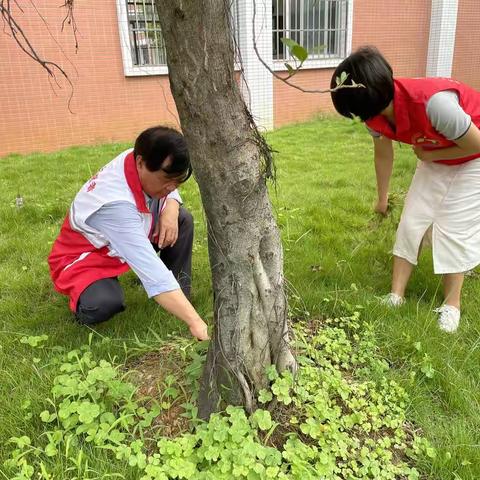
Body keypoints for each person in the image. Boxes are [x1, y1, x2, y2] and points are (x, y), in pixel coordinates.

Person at [330, 46, 480, 333]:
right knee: (412, 220)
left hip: (473, 155)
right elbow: (383, 154)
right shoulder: (373, 116)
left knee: (452, 226)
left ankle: (452, 306)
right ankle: (395, 296)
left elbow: (476, 145)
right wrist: (382, 198)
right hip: (439, 149)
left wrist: (431, 156)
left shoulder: (436, 105)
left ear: (367, 98)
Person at [48, 126, 209, 340]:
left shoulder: (136, 157)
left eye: (177, 181)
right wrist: (196, 323)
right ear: (141, 163)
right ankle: (84, 307)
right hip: (86, 256)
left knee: (181, 219)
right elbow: (152, 271)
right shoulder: (113, 204)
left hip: (120, 240)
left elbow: (169, 184)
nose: (172, 187)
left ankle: (180, 297)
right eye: (166, 180)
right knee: (105, 303)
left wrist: (171, 206)